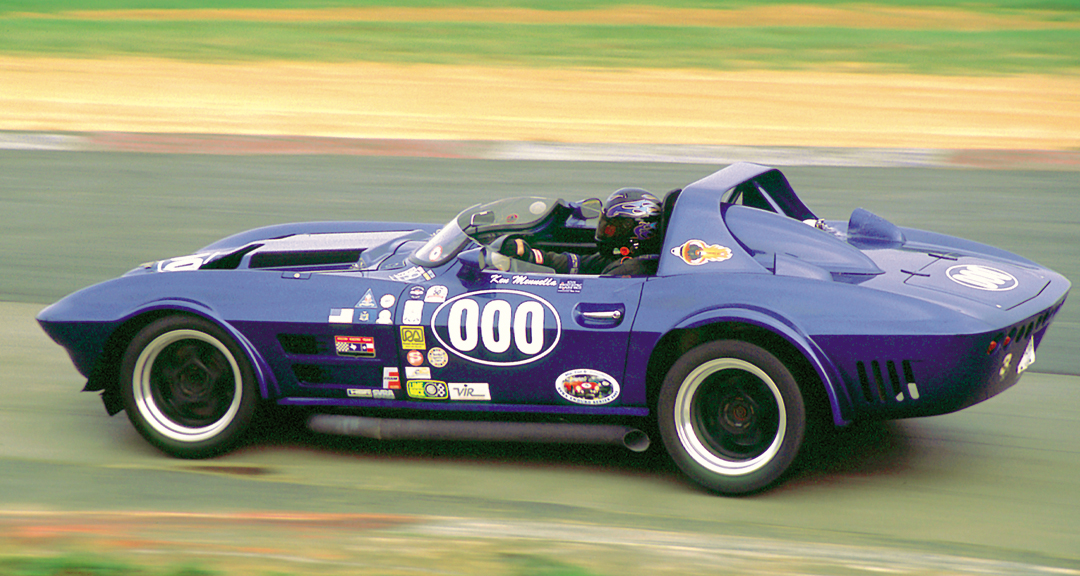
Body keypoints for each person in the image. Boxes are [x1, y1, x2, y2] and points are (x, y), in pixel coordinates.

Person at [499, 187, 663, 276]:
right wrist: (531, 255)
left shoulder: (629, 270)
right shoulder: (623, 260)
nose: (605, 231)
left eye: (612, 228)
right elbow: (578, 263)